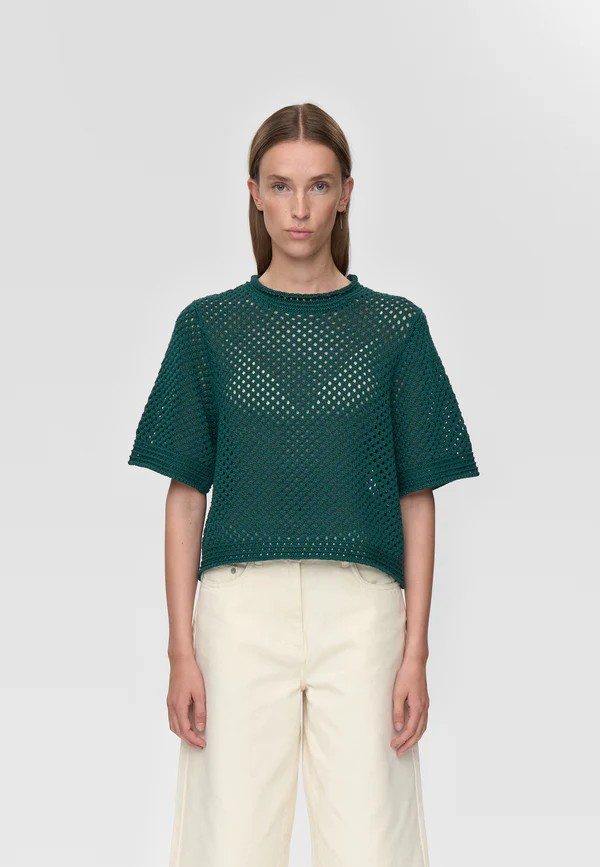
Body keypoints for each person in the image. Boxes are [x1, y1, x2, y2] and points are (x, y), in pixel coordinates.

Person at [128, 102, 480, 867]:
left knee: (374, 845)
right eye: (281, 186)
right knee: (228, 845)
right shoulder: (208, 328)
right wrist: (180, 649)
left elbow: (417, 498)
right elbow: (185, 497)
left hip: (362, 613)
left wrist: (416, 651)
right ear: (253, 193)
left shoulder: (395, 328)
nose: (299, 207)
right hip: (237, 612)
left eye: (318, 185)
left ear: (346, 193)